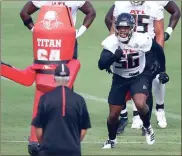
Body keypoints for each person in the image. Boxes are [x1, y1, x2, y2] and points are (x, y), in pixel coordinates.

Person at [104, 1, 180, 134]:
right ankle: (128, 117)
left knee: (146, 85)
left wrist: (158, 54)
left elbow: (159, 32)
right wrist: (111, 50)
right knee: (122, 80)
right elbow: (112, 27)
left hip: (147, 48)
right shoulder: (121, 4)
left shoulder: (155, 5)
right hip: (126, 48)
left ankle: (147, 120)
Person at [98, 13, 169, 148]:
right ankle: (112, 140)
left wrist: (162, 70)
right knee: (113, 115)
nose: (123, 31)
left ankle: (147, 127)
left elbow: (158, 51)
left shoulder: (142, 39)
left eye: (126, 28)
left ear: (132, 28)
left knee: (140, 104)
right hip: (119, 78)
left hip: (138, 75)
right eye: (120, 27)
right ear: (116, 28)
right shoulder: (111, 42)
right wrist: (113, 57)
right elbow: (101, 64)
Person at [31, 63, 91, 156]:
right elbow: (83, 128)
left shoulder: (45, 98)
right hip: (72, 151)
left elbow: (38, 128)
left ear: (54, 78)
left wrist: (44, 144)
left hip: (48, 151)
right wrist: (74, 142)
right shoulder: (79, 100)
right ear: (69, 79)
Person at [20, 0, 96, 59]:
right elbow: (91, 12)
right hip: (65, 39)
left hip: (49, 40)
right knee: (67, 71)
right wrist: (79, 32)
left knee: (48, 70)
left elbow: (24, 13)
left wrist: (36, 31)